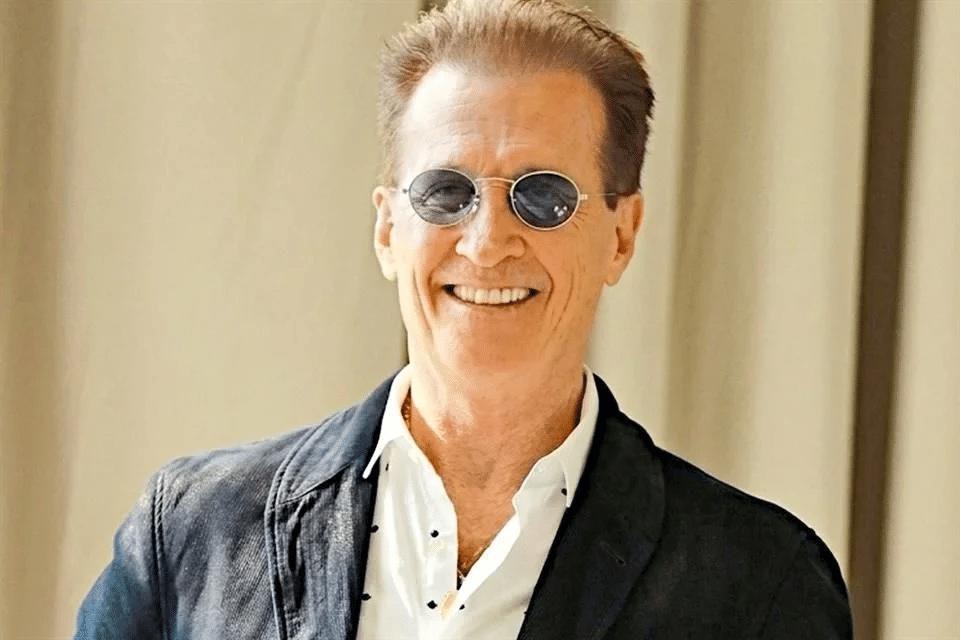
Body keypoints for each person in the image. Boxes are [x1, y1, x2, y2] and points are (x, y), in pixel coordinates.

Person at [75, 0, 852, 638]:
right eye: (446, 192)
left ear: (621, 234)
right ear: (388, 229)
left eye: (542, 196)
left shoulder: (759, 585)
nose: (486, 243)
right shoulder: (192, 536)